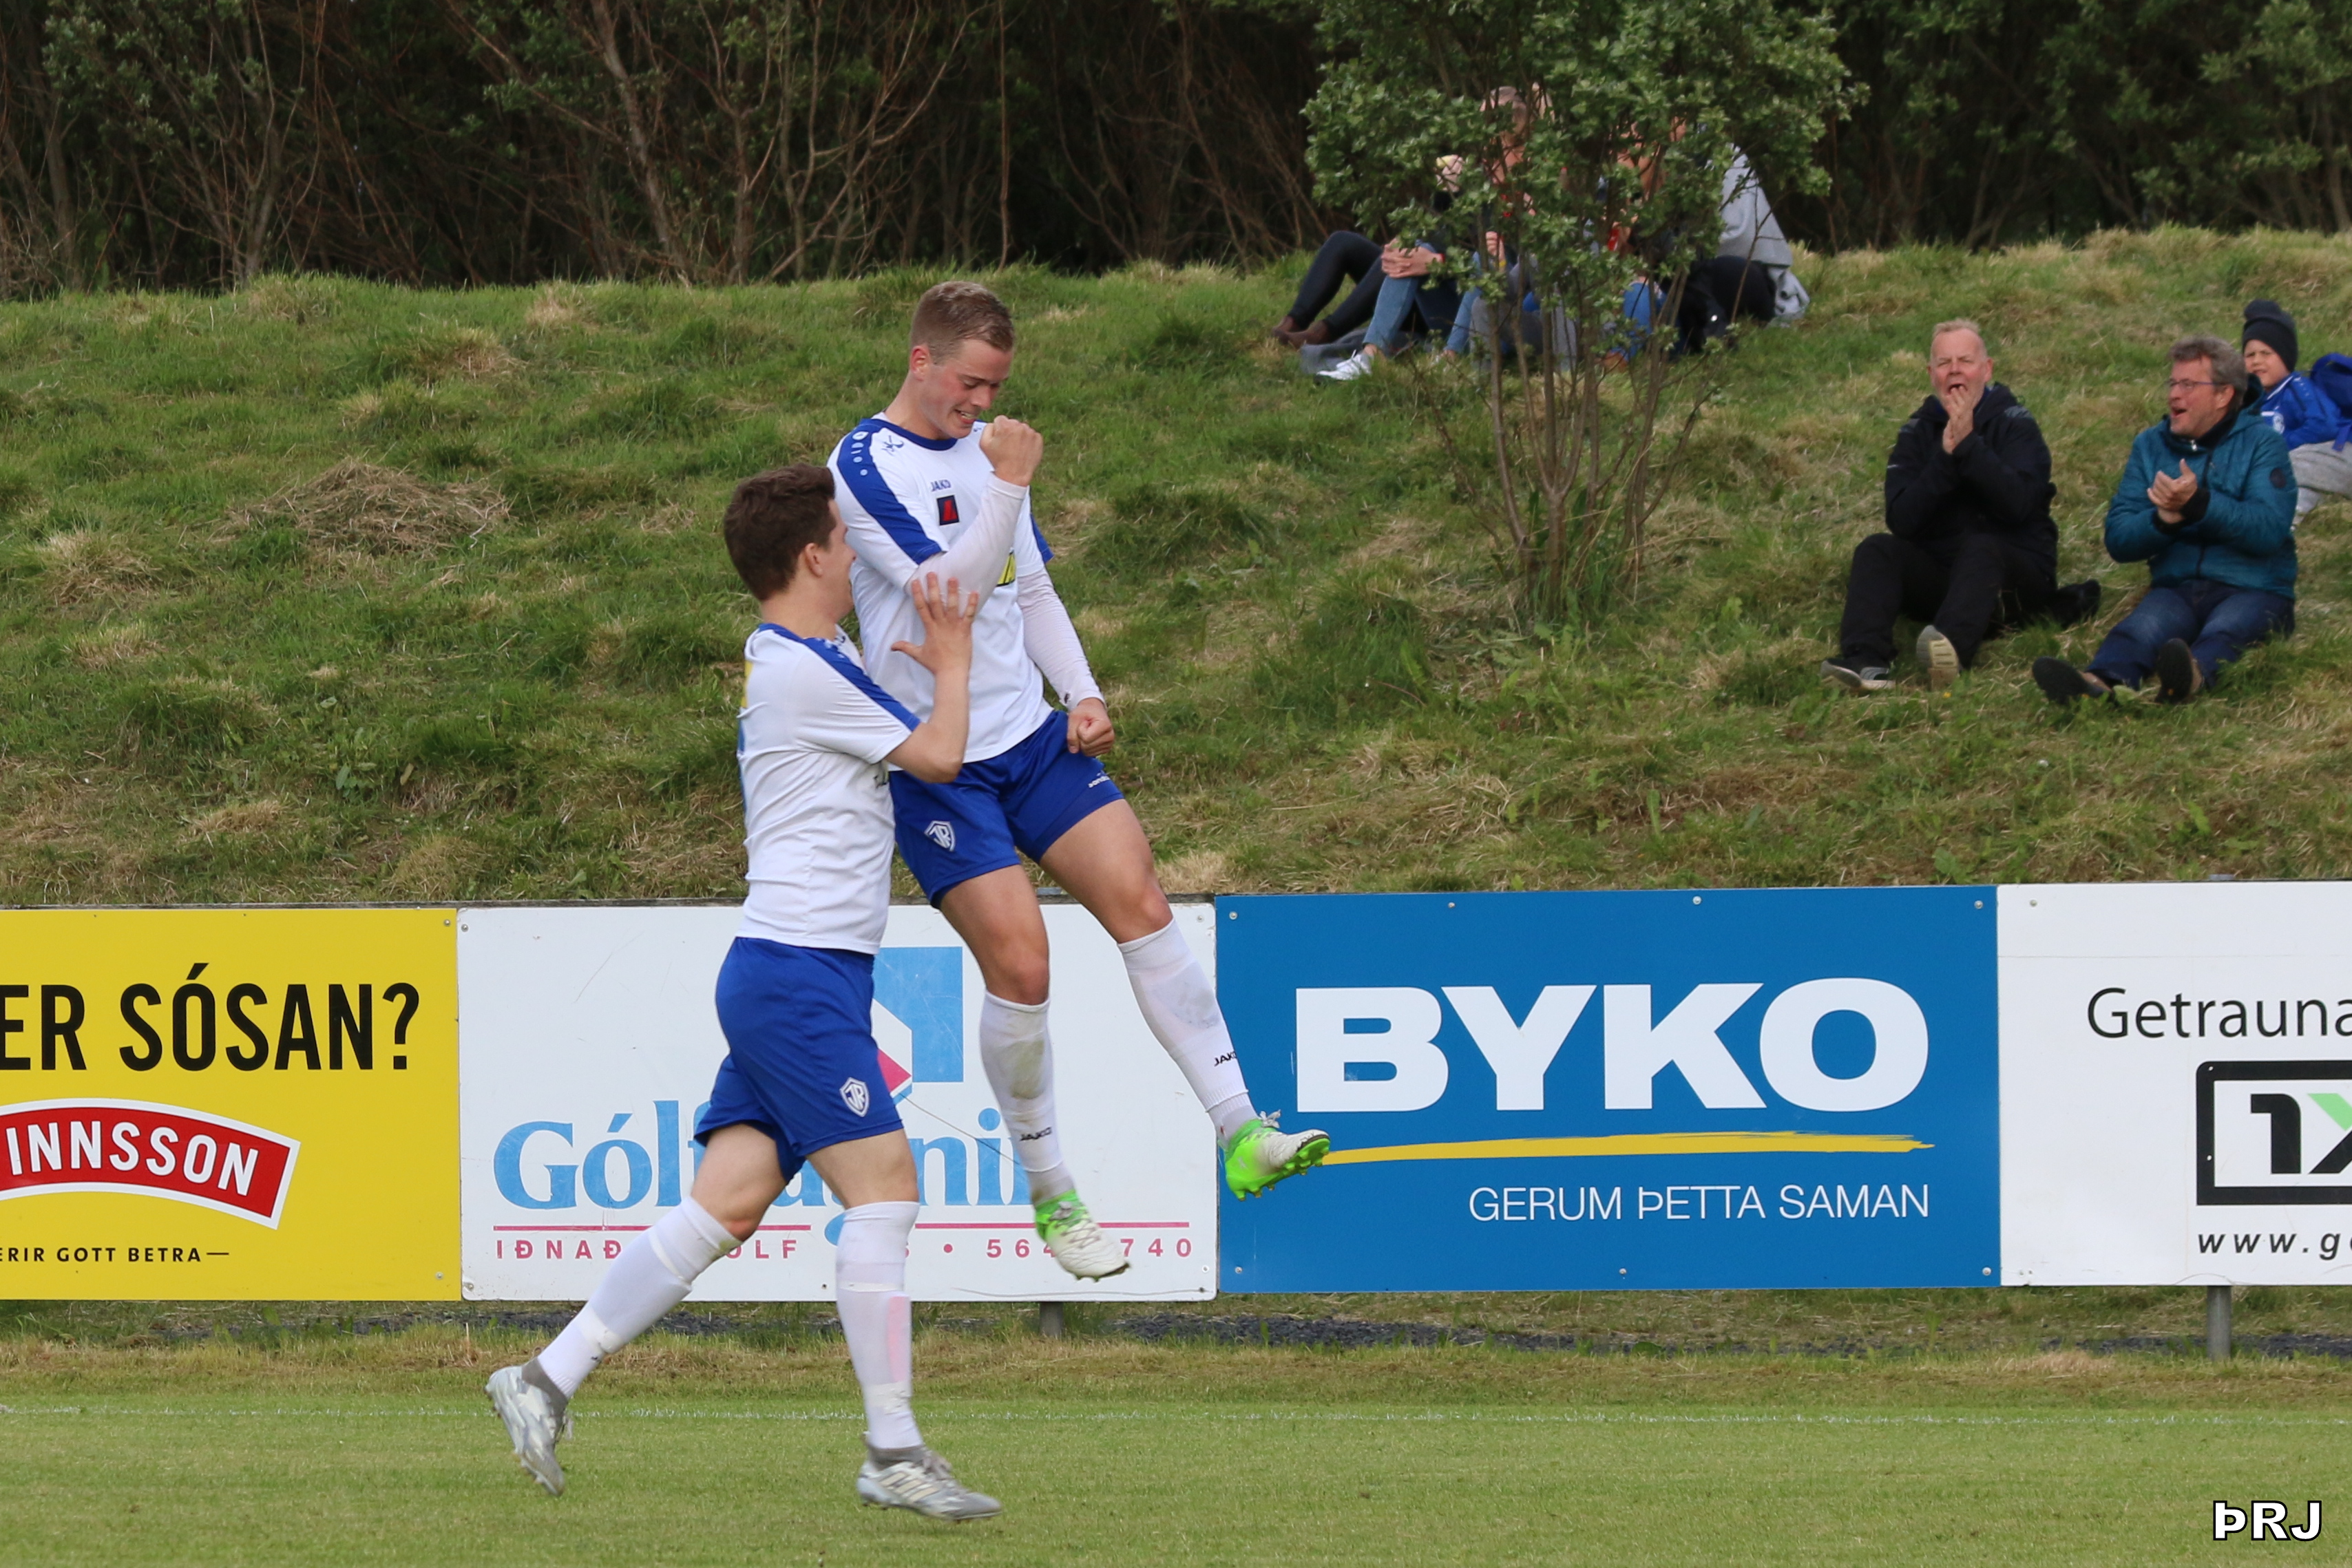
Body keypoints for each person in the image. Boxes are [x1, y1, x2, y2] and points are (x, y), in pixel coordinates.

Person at [486, 457, 1020, 1520]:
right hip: (797, 975)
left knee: (722, 1206)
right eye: (846, 537)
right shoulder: (799, 670)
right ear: (815, 556)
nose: (859, 552)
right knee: (886, 1194)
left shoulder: (810, 654)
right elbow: (941, 756)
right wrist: (957, 656)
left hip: (799, 971)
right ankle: (893, 1449)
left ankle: (543, 1377)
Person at [829, 282, 1328, 1281]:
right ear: (921, 361)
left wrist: (1083, 691)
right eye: (970, 383)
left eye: (997, 387)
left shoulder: (989, 452)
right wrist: (1009, 483)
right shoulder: (863, 464)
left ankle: (1242, 1128)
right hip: (939, 763)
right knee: (1024, 968)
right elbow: (950, 596)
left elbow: (1030, 588)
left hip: (1031, 738)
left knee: (1143, 903)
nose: (983, 403)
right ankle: (1054, 1193)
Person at [2035, 335, 2297, 704]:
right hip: (2178, 587)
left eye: (2188, 385)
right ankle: (2097, 685)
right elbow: (2119, 539)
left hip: (2254, 587)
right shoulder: (2150, 445)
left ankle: (2191, 678)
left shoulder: (2263, 443)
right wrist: (2163, 520)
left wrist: (2200, 505)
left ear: (2223, 395)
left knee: (2228, 630)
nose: (2174, 395)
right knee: (2138, 631)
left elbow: (2268, 530)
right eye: (2173, 383)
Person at [1822, 320, 2066, 693]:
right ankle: (1864, 661)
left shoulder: (2016, 425)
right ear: (1931, 374)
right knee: (1877, 549)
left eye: (1965, 361)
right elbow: (1902, 520)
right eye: (1944, 363)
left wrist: (1969, 446)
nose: (1954, 370)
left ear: (1987, 369)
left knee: (1982, 547)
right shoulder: (1916, 432)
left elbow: (2018, 505)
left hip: (2012, 580)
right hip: (1946, 578)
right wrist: (1945, 459)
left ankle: (1949, 652)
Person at [2239, 298, 2352, 518]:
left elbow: (2325, 426)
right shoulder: (2252, 400)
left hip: (2336, 453)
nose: (2257, 361)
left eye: (2266, 354)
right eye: (2250, 355)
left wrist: (2281, 445)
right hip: (2304, 468)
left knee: (2286, 468)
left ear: (2285, 357)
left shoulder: (2297, 388)